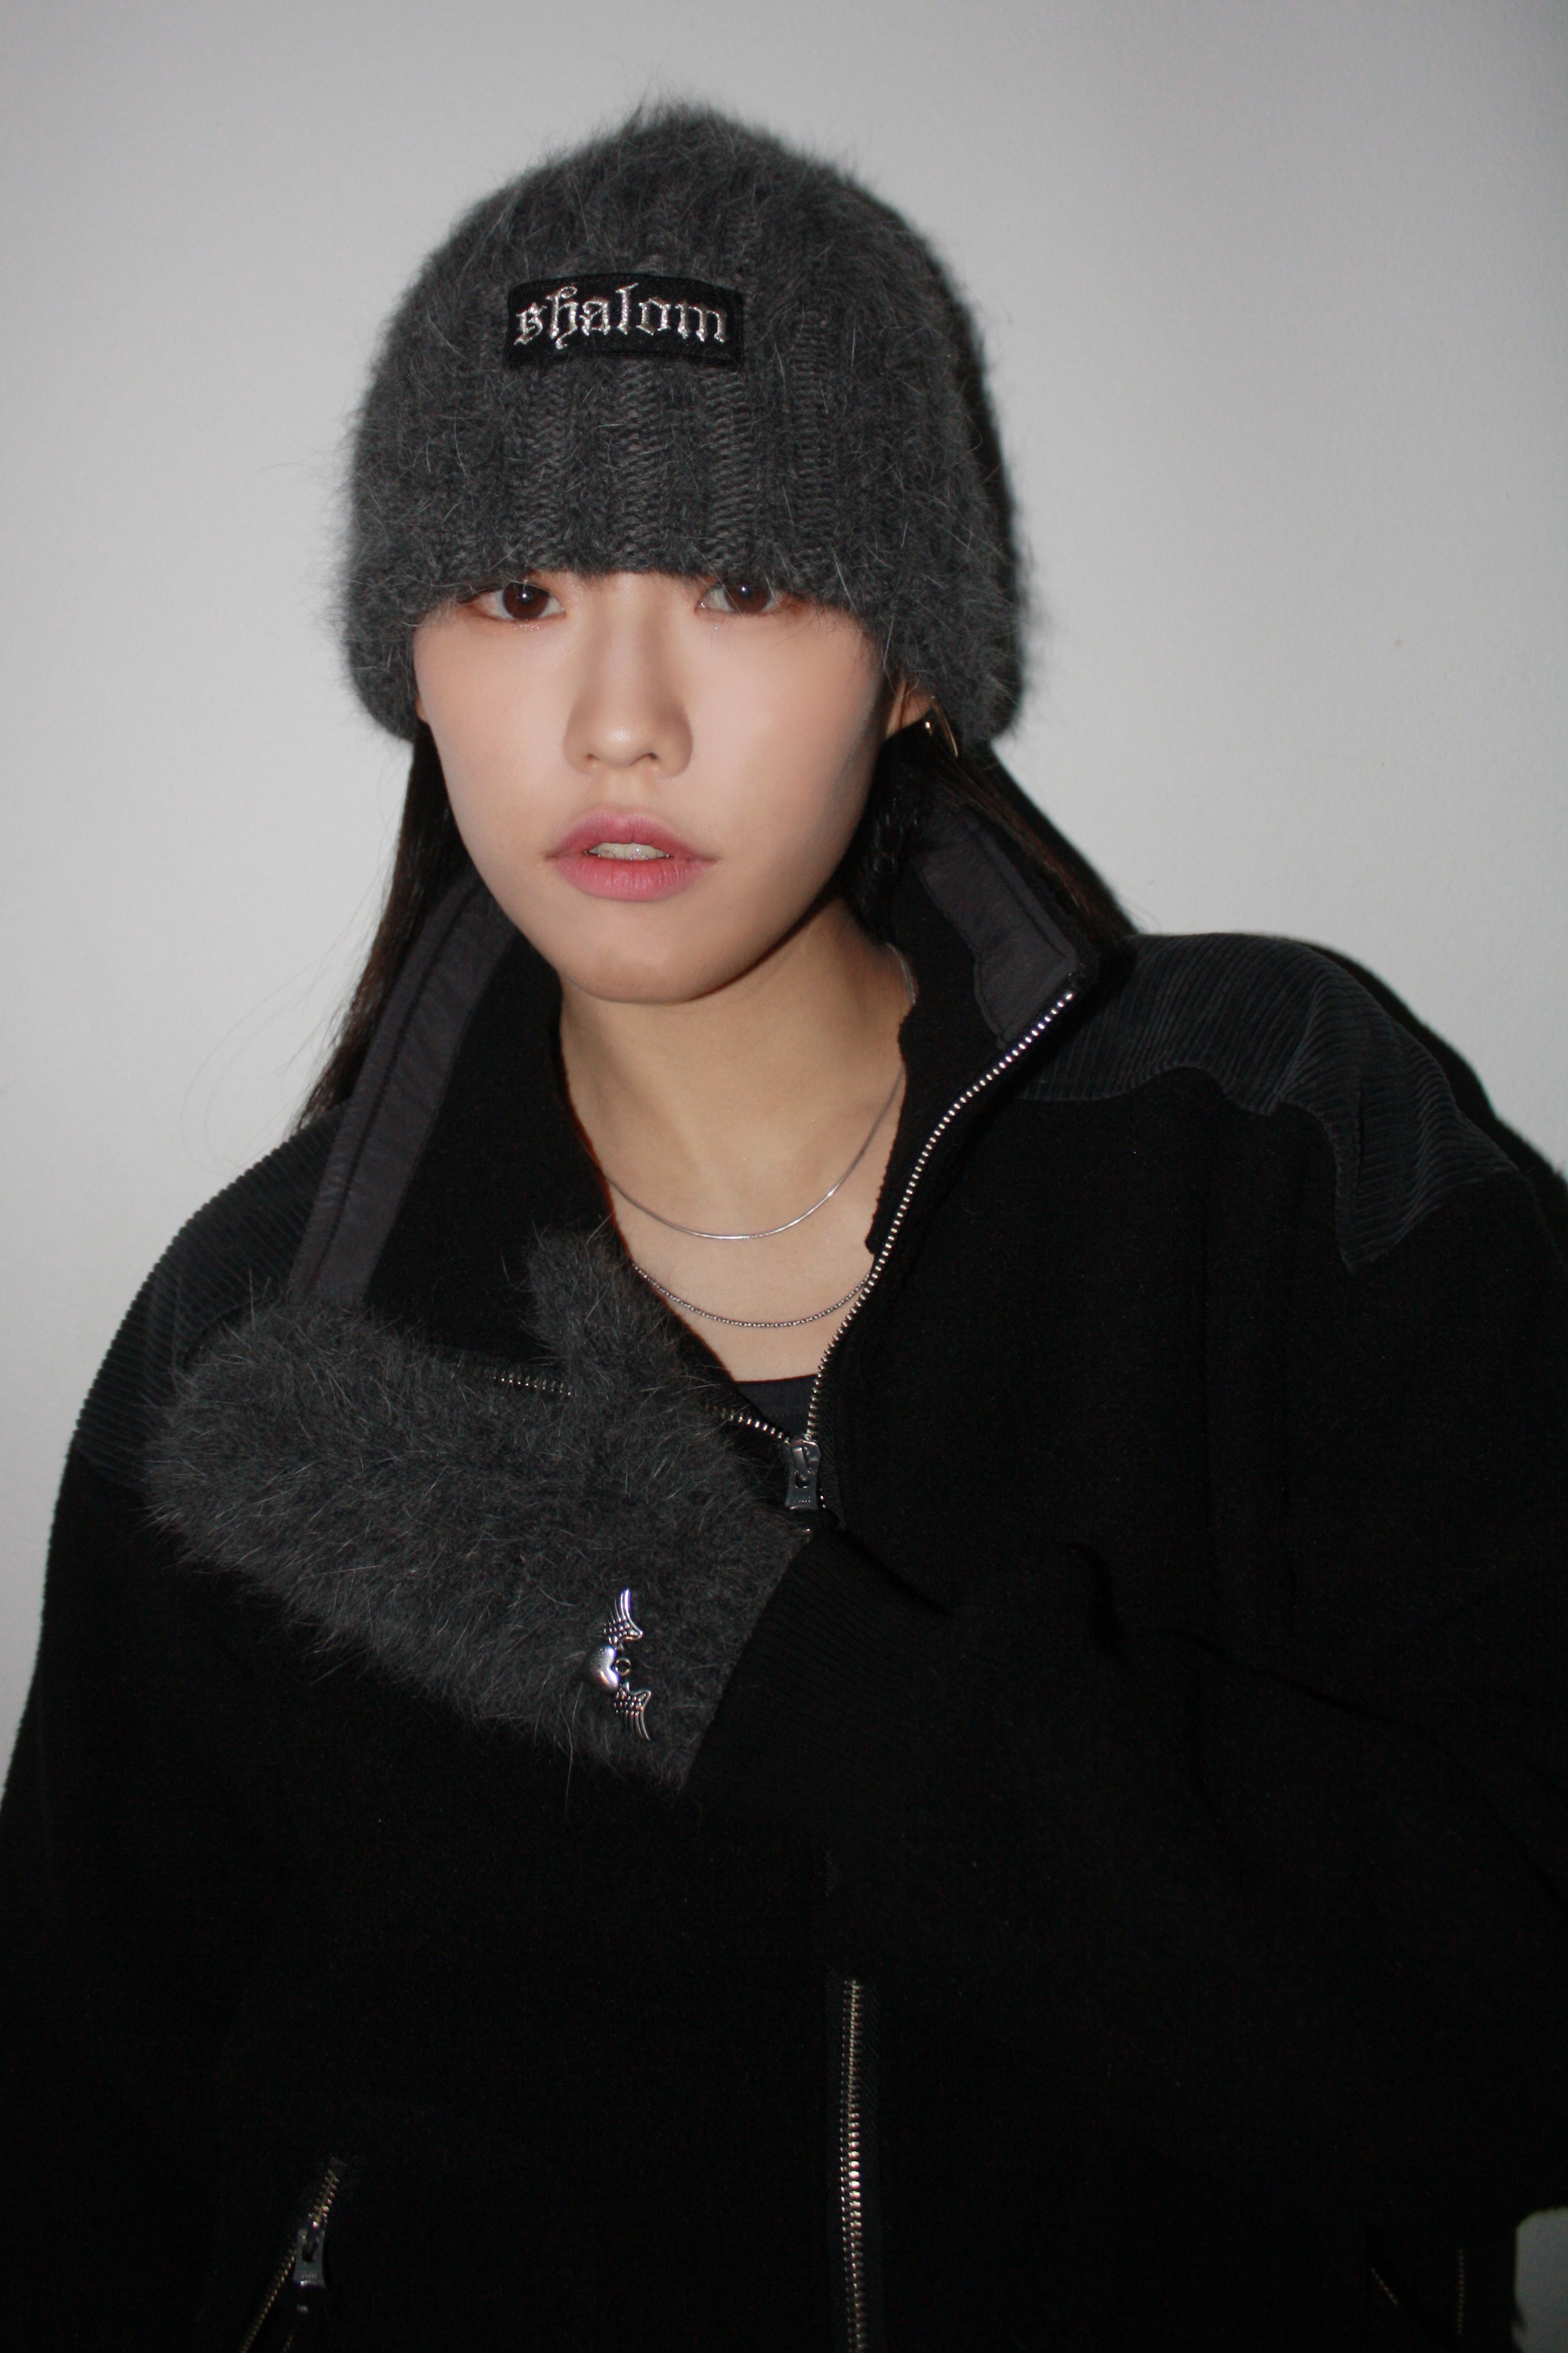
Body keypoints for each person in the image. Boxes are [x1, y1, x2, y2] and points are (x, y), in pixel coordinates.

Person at [2, 105, 1565, 2353]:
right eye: (518, 592)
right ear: (410, 659)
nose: (617, 720)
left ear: (913, 658)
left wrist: (758, 1669)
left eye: (744, 584)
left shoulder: (1276, 1142)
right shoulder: (266, 1337)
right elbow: (78, 2158)